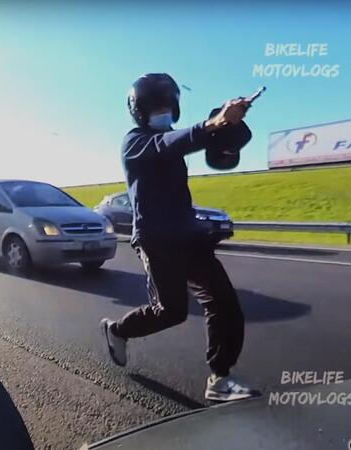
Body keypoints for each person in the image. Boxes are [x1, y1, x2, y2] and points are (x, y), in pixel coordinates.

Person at [99, 73, 259, 402]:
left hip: (189, 236)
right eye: (157, 107)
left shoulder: (174, 140)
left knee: (225, 304)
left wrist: (227, 132)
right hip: (156, 240)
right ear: (139, 112)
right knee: (171, 312)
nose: (164, 112)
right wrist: (215, 122)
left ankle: (220, 380)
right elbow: (169, 144)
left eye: (168, 106)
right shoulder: (136, 141)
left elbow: (195, 144)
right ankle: (117, 330)